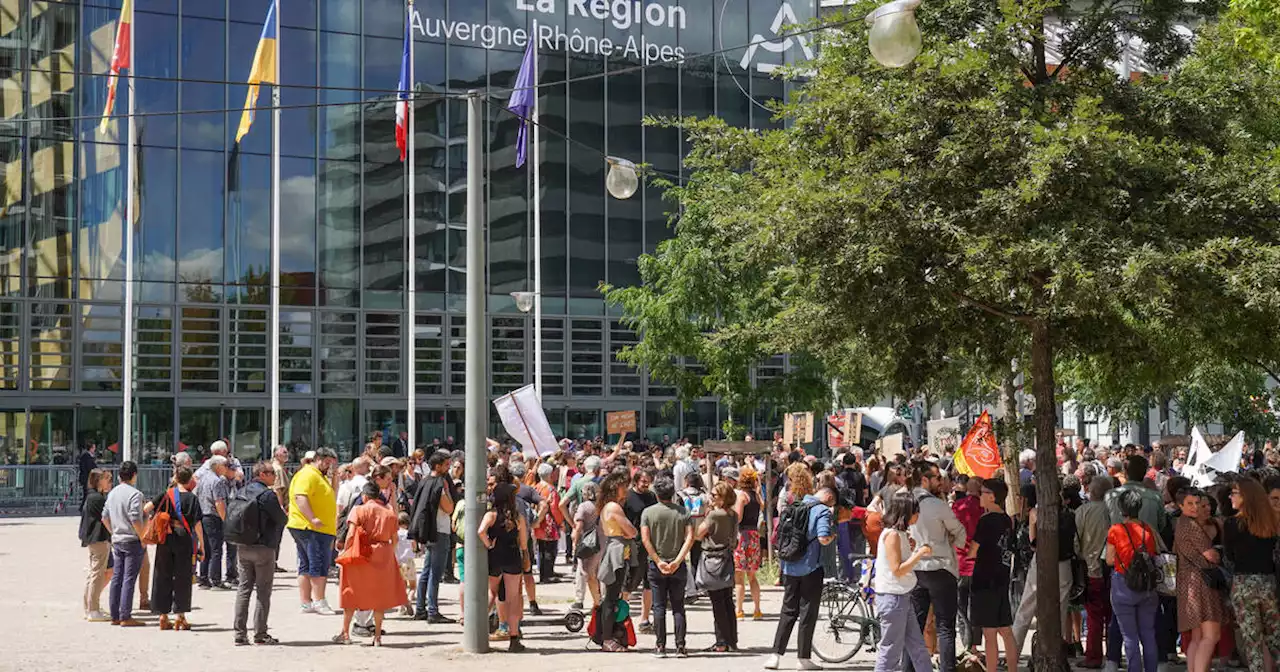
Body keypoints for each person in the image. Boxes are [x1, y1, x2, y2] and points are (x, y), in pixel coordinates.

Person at [764, 463, 834, 671]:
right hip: (811, 567)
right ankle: (803, 658)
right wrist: (831, 537)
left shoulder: (792, 507)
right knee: (807, 612)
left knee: (788, 610)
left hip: (789, 566)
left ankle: (775, 656)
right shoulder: (822, 511)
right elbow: (822, 539)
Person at [904, 459, 968, 672]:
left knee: (916, 626)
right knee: (945, 627)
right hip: (940, 568)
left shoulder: (903, 500)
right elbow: (960, 533)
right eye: (937, 478)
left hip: (915, 570)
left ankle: (907, 669)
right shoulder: (937, 505)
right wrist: (949, 541)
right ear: (924, 479)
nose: (941, 481)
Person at [332, 481, 406, 647]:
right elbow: (394, 540)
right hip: (383, 552)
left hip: (361, 553)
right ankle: (377, 636)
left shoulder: (358, 510)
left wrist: (345, 552)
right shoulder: (389, 512)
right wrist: (387, 554)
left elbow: (351, 535)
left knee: (351, 591)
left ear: (364, 496)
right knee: (379, 596)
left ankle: (345, 633)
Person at [1011, 482, 1078, 654]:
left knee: (1026, 608)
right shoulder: (1069, 515)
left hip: (1041, 561)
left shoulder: (1036, 513)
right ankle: (1055, 653)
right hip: (1064, 564)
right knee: (1060, 612)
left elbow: (1033, 544)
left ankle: (1013, 651)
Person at [872, 492, 934, 672]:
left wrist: (912, 550)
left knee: (917, 647)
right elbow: (897, 569)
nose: (918, 515)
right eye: (916, 511)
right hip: (893, 597)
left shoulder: (899, 534)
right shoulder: (892, 535)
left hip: (901, 596)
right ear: (906, 512)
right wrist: (919, 553)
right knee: (891, 651)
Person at [1224, 477, 1280, 672]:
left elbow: (1229, 556)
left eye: (1235, 493)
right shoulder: (1271, 522)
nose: (1231, 496)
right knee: (1275, 639)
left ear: (1246, 496)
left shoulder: (1232, 524)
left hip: (1244, 585)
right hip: (1268, 584)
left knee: (1252, 643)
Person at [143, 465, 204, 631]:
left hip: (165, 537)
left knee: (162, 574)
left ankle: (163, 616)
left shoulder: (166, 494)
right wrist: (202, 545)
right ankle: (180, 616)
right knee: (182, 577)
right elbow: (198, 525)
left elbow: (146, 508)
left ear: (175, 478)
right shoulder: (192, 498)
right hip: (184, 537)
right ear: (190, 479)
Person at [232, 460, 287, 646]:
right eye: (271, 472)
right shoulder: (267, 495)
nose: (275, 475)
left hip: (243, 546)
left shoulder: (242, 491)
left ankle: (239, 634)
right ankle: (260, 633)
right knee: (263, 591)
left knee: (243, 589)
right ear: (262, 474)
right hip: (263, 548)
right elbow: (281, 519)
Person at [1106, 487, 1160, 672]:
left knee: (1129, 637)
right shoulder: (1148, 530)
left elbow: (1109, 559)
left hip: (1123, 585)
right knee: (1148, 634)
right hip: (1147, 587)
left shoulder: (1115, 530)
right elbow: (1154, 554)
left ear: (1122, 509)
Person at [641, 475, 695, 657]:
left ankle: (660, 646)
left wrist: (658, 560)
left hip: (657, 566)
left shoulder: (648, 513)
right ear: (673, 493)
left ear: (656, 493)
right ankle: (681, 646)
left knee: (658, 606)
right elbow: (690, 538)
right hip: (677, 565)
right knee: (678, 606)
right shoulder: (683, 512)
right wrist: (678, 560)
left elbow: (645, 539)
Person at [967, 479, 1017, 672]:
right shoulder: (1007, 519)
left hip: (985, 580)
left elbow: (973, 550)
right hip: (1002, 578)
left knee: (989, 633)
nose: (980, 495)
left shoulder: (985, 521)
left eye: (984, 491)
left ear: (993, 496)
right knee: (1005, 629)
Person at [1173, 488, 1223, 672]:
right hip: (1200, 580)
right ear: (1180, 505)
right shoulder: (1190, 526)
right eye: (1190, 504)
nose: (1195, 507)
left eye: (1197, 503)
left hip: (1189, 580)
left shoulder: (1182, 523)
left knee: (1197, 637)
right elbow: (1211, 556)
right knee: (1211, 635)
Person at [287, 446, 339, 615]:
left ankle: (307, 602)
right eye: (327, 463)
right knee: (318, 564)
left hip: (315, 528)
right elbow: (300, 497)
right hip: (311, 528)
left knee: (307, 564)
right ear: (319, 459)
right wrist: (312, 518)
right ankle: (319, 601)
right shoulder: (308, 474)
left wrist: (336, 477)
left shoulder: (319, 476)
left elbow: (333, 495)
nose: (329, 466)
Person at [479, 482, 529, 652]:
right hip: (512, 556)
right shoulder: (517, 517)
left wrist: (489, 545)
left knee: (492, 593)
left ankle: (478, 629)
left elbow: (481, 531)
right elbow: (523, 542)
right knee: (512, 599)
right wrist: (526, 556)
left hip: (495, 556)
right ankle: (514, 638)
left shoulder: (491, 515)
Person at [409, 450, 456, 623]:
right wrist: (448, 491)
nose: (448, 468)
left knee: (427, 571)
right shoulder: (439, 484)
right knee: (435, 574)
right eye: (446, 465)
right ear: (438, 466)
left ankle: (420, 608)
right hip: (439, 531)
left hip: (427, 531)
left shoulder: (424, 481)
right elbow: (449, 508)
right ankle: (432, 611)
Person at [1076, 474, 1115, 669]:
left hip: (1091, 569)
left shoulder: (1083, 511)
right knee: (1112, 615)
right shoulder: (1114, 512)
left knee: (1094, 616)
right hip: (1113, 570)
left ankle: (1094, 657)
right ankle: (1113, 656)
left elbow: (1076, 541)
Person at [597, 469, 639, 652]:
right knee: (612, 597)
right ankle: (607, 639)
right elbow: (632, 531)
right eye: (624, 487)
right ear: (616, 487)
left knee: (612, 597)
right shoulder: (614, 507)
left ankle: (609, 636)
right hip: (617, 550)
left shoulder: (608, 506)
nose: (627, 490)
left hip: (615, 547)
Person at [698, 481, 740, 652]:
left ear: (723, 498)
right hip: (727, 557)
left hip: (712, 558)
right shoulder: (733, 514)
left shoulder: (714, 515)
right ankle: (731, 639)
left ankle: (721, 642)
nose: (711, 497)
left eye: (714, 495)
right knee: (728, 600)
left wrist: (706, 513)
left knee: (717, 602)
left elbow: (698, 534)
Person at [103, 460, 147, 627]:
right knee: (129, 578)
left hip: (118, 539)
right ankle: (125, 615)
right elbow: (135, 517)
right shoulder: (135, 494)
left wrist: (113, 532)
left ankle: (115, 614)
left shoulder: (112, 493)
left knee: (117, 577)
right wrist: (142, 536)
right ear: (134, 475)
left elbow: (104, 517)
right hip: (131, 539)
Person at [952, 474, 983, 654]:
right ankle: (973, 646)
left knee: (961, 605)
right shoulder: (983, 509)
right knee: (976, 606)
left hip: (960, 562)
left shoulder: (957, 507)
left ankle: (965, 643)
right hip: (977, 563)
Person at [624, 468, 658, 631]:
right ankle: (622, 617)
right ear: (636, 481)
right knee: (629, 582)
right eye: (643, 481)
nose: (646, 484)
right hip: (632, 544)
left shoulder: (651, 497)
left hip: (649, 545)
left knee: (649, 582)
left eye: (648, 481)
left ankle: (645, 619)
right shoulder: (627, 497)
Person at [193, 454, 232, 589]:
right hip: (213, 517)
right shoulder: (217, 481)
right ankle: (215, 579)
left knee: (206, 548)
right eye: (225, 465)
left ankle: (204, 578)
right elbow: (219, 502)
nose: (227, 468)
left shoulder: (202, 479)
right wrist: (225, 520)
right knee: (216, 550)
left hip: (203, 516)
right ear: (218, 466)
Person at [80, 468, 114, 622]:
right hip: (99, 539)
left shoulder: (94, 496)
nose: (108, 482)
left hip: (94, 539)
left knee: (94, 573)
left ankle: (89, 607)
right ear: (98, 480)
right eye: (105, 478)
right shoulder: (97, 498)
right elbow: (107, 517)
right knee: (97, 574)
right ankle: (93, 609)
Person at [733, 467, 764, 620]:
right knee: (752, 576)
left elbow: (738, 517)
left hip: (742, 536)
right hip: (754, 536)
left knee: (739, 577)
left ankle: (739, 610)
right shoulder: (757, 497)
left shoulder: (742, 497)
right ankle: (757, 609)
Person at [572, 481, 603, 609]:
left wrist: (574, 541)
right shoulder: (602, 505)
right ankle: (601, 599)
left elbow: (579, 526)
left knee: (583, 571)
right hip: (602, 540)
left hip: (587, 542)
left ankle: (580, 599)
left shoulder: (584, 507)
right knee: (600, 572)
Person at [78, 442, 98, 509]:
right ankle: (83, 507)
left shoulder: (88, 456)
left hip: (88, 478)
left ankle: (83, 507)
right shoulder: (86, 456)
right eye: (94, 447)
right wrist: (96, 470)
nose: (95, 449)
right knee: (86, 493)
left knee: (87, 493)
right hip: (86, 478)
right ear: (91, 448)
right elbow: (89, 467)